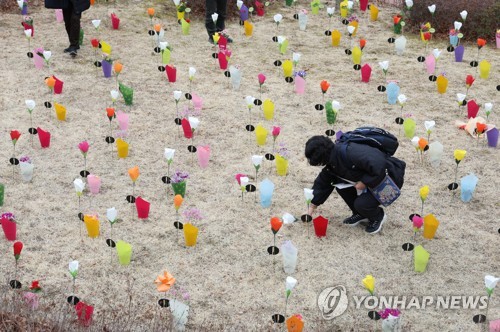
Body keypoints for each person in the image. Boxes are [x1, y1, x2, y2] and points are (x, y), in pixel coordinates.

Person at [304, 135, 406, 234]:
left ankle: (377, 216)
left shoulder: (351, 152)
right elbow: (323, 182)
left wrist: (365, 182)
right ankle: (361, 214)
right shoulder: (333, 160)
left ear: (322, 157)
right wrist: (312, 207)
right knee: (340, 185)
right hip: (373, 179)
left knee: (361, 204)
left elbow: (379, 164)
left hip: (389, 179)